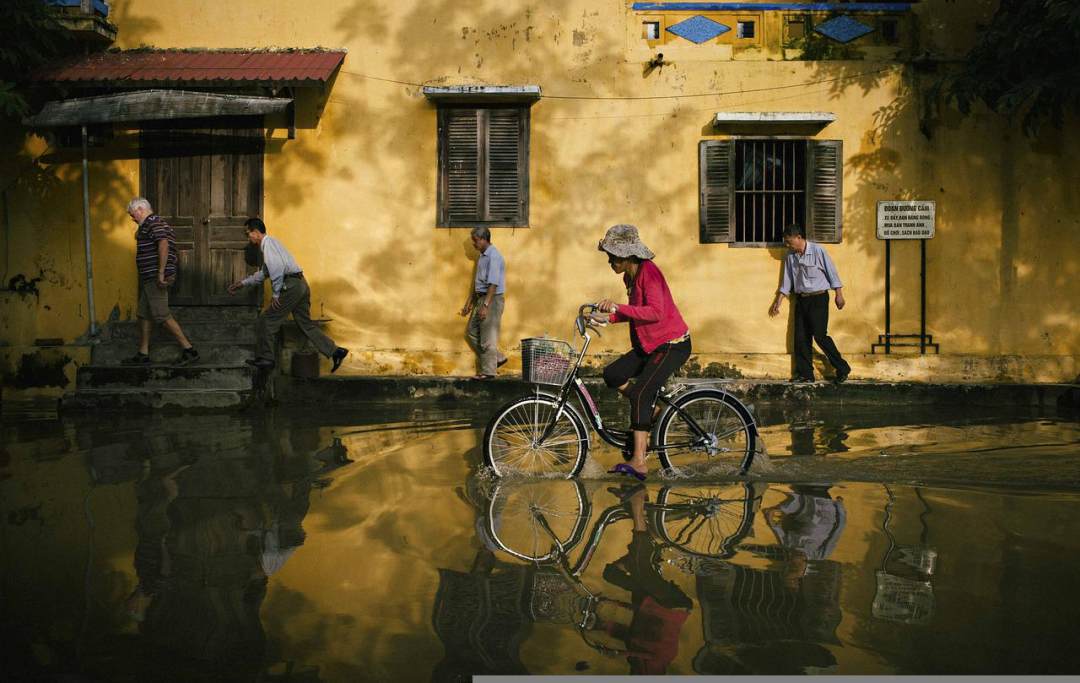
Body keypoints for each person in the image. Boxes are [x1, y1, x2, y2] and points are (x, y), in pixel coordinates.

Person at [595, 224, 691, 481]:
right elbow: (637, 312)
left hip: (672, 344)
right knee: (613, 374)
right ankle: (653, 412)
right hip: (649, 345)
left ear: (628, 256)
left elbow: (655, 312)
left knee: (640, 394)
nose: (610, 262)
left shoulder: (650, 273)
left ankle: (639, 462)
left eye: (614, 257)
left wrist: (617, 307)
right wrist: (607, 318)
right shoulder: (630, 277)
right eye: (609, 257)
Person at [227, 218, 348, 372]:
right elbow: (264, 273)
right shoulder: (272, 244)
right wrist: (243, 283)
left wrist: (276, 294)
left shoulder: (268, 244)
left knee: (267, 320)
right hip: (300, 284)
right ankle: (336, 351)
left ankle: (266, 358)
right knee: (305, 324)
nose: (247, 237)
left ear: (256, 232)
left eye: (247, 233)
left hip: (291, 286)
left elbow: (277, 268)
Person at [768, 224, 851, 383]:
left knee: (820, 335)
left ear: (799, 237)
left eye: (789, 242)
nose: (788, 245)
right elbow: (787, 281)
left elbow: (831, 272)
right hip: (801, 300)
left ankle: (842, 368)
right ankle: (806, 375)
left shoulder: (818, 251)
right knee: (801, 337)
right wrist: (778, 301)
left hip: (818, 299)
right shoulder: (790, 256)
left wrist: (839, 295)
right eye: (786, 242)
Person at [123, 198, 199, 365]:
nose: (132, 218)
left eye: (133, 214)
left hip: (155, 277)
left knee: (161, 315)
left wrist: (161, 272)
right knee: (144, 314)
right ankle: (143, 353)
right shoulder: (152, 224)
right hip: (150, 278)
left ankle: (189, 350)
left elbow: (163, 244)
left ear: (141, 209)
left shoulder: (153, 222)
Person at [459, 227, 507, 380]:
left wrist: (486, 306)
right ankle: (497, 358)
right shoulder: (482, 256)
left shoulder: (494, 256)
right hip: (481, 298)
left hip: (492, 299)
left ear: (484, 239)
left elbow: (493, 284)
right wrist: (469, 302)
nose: (473, 244)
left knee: (488, 338)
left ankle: (488, 372)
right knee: (471, 332)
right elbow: (478, 283)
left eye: (475, 240)